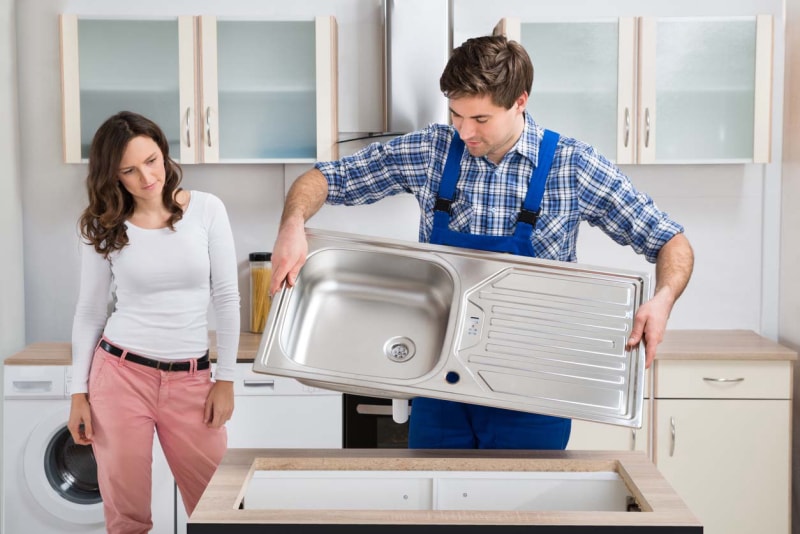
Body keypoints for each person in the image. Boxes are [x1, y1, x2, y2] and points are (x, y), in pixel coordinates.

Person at [269, 35, 694, 450]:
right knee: (436, 512)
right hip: (440, 386)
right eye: (456, 114)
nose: (465, 131)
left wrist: (663, 300)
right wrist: (292, 223)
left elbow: (670, 241)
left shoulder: (574, 165)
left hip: (535, 391)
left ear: (520, 102)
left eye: (481, 119)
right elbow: (324, 178)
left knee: (523, 518)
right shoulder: (432, 150)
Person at [68, 111, 240, 533]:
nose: (146, 176)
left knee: (219, 510)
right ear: (114, 177)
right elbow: (90, 312)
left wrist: (226, 379)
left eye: (152, 160)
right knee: (128, 519)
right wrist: (77, 392)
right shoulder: (103, 227)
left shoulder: (206, 210)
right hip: (120, 377)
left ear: (164, 152)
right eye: (129, 170)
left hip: (192, 382)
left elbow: (226, 296)